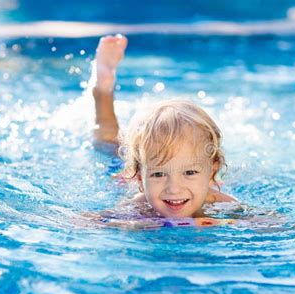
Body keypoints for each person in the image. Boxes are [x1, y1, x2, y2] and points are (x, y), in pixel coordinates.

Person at [89, 34, 238, 226]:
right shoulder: (139, 206)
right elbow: (84, 223)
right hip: (126, 168)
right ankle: (102, 90)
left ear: (211, 172)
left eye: (190, 172)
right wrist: (128, 225)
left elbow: (273, 225)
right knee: (107, 141)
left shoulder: (222, 205)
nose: (174, 189)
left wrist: (226, 223)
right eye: (158, 174)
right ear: (140, 179)